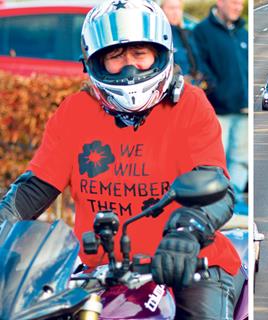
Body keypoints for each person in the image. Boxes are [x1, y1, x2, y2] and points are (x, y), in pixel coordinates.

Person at [0, 0, 241, 318]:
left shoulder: (190, 105)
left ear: (161, 53)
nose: (130, 67)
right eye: (115, 56)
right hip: (101, 273)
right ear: (94, 62)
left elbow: (217, 188)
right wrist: (4, 220)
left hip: (191, 264)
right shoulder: (75, 112)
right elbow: (35, 188)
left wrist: (187, 233)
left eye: (140, 54)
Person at [193, 0, 248, 211]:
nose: (238, 7)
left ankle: (231, 203)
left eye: (240, 3)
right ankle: (212, 204)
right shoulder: (202, 31)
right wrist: (215, 90)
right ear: (220, 2)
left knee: (241, 159)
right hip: (218, 109)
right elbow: (199, 65)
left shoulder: (242, 33)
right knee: (215, 159)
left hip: (243, 109)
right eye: (234, 2)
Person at [160, 0, 207, 87]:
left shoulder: (189, 34)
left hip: (196, 88)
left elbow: (201, 61)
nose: (176, 12)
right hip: (176, 89)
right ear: (162, 10)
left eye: (178, 8)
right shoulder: (160, 37)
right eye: (171, 8)